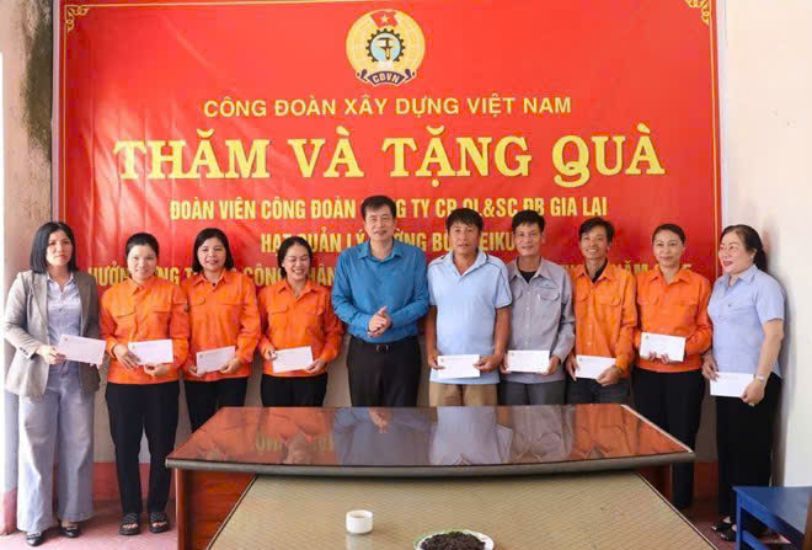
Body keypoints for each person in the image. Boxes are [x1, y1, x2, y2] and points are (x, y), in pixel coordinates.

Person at [4, 222, 100, 546]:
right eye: (53, 243)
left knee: (79, 446)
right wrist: (39, 348)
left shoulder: (86, 282)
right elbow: (9, 326)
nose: (61, 248)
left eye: (66, 242)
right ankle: (35, 520)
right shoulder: (26, 281)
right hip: (36, 377)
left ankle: (72, 513)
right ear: (42, 249)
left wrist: (94, 350)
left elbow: (94, 326)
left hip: (77, 376)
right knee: (35, 449)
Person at [100, 232, 189, 536]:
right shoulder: (112, 295)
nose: (142, 263)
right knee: (125, 447)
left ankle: (157, 508)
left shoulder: (172, 292)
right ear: (126, 261)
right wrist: (116, 348)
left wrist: (170, 365)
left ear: (158, 260)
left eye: (149, 257)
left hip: (161, 383)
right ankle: (130, 511)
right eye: (136, 257)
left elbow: (181, 338)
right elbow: (102, 334)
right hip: (122, 384)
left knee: (162, 446)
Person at [702, 225, 785, 542]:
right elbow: (719, 328)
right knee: (730, 449)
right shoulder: (721, 285)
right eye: (723, 246)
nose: (725, 253)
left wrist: (760, 379)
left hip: (755, 383)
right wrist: (708, 354)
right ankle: (731, 512)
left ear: (753, 252)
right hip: (725, 382)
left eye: (734, 247)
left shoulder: (765, 286)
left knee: (752, 452)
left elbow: (774, 335)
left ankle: (752, 522)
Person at [633, 223, 712, 509]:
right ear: (652, 249)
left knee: (683, 438)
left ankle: (681, 503)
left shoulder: (700, 283)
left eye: (672, 244)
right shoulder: (639, 282)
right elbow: (630, 325)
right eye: (660, 244)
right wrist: (643, 344)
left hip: (685, 374)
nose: (666, 250)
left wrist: (681, 351)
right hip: (647, 374)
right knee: (649, 439)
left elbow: (706, 330)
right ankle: (651, 500)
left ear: (683, 247)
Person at [332, 195, 429, 406]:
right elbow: (339, 301)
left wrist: (391, 320)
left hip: (403, 352)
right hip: (363, 353)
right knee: (364, 421)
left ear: (395, 223)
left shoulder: (414, 256)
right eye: (373, 219)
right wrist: (367, 321)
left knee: (404, 422)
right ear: (364, 225)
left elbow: (422, 301)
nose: (379, 225)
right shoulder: (348, 258)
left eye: (385, 218)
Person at [426, 208, 511, 406]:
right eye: (457, 230)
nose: (463, 237)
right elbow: (432, 313)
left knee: (481, 432)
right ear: (447, 235)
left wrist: (498, 355)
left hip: (482, 368)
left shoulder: (495, 268)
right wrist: (430, 350)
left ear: (480, 235)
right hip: (444, 369)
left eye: (469, 230)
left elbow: (503, 314)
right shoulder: (435, 269)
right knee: (444, 433)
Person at [181, 228, 260, 431]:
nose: (211, 255)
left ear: (226, 253)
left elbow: (251, 326)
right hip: (198, 372)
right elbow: (179, 330)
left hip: (233, 371)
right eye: (205, 249)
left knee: (232, 431)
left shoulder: (243, 284)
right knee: (200, 431)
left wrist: (240, 358)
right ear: (197, 254)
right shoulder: (185, 288)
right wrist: (187, 363)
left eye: (217, 249)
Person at [258, 236, 344, 406]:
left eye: (304, 259)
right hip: (276, 376)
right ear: (282, 262)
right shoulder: (267, 295)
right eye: (293, 259)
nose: (299, 265)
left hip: (311, 376)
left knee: (310, 430)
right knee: (276, 431)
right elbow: (255, 331)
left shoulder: (323, 295)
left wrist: (324, 359)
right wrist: (265, 348)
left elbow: (334, 332)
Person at [500, 210, 574, 405]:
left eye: (533, 234)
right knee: (512, 432)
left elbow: (568, 322)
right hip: (510, 374)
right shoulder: (501, 276)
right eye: (521, 235)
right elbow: (492, 320)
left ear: (543, 237)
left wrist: (558, 357)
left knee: (547, 431)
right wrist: (499, 353)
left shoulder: (560, 276)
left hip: (548, 374)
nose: (527, 240)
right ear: (513, 238)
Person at [566, 217, 637, 403]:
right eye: (587, 238)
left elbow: (628, 326)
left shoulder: (624, 279)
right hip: (577, 372)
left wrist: (620, 366)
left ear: (608, 244)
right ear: (580, 244)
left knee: (611, 430)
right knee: (579, 429)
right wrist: (567, 355)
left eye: (599, 238)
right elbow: (563, 322)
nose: (592, 244)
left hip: (612, 374)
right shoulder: (569, 278)